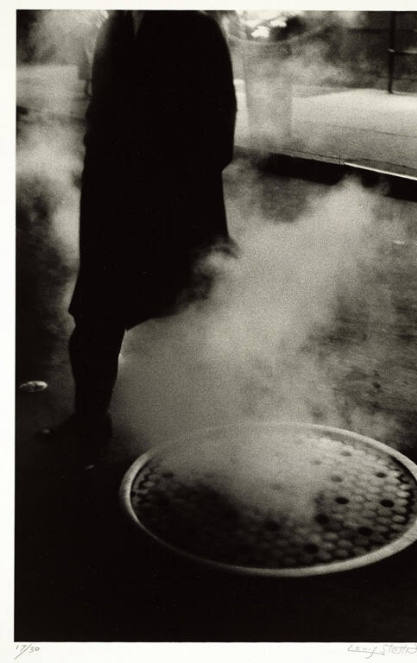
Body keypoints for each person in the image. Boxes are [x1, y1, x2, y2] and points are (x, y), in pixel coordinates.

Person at [41, 10, 237, 464]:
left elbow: (218, 128)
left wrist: (173, 190)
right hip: (111, 204)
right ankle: (90, 421)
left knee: (186, 310)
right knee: (94, 316)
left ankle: (211, 423)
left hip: (171, 206)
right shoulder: (113, 24)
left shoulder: (196, 27)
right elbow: (102, 105)